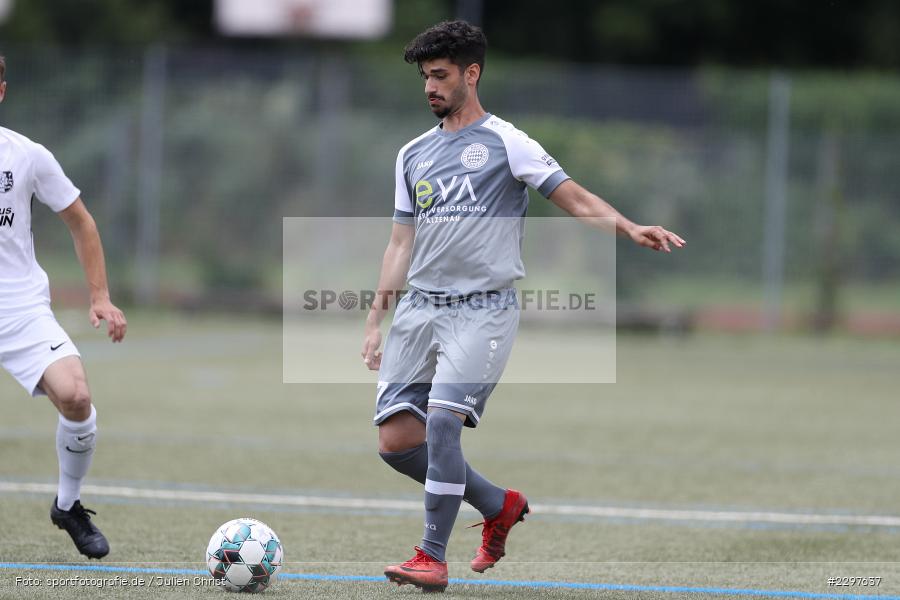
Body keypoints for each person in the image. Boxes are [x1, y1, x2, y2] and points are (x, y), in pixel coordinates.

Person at [361, 21, 685, 592]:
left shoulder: (507, 142)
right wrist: (374, 319)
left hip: (483, 310)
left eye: (440, 76)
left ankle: (430, 558)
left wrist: (629, 227)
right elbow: (399, 244)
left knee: (440, 423)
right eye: (425, 78)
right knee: (396, 443)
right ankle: (498, 505)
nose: (430, 87)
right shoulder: (411, 155)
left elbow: (575, 197)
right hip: (420, 310)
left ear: (472, 73)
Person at [0, 55, 127, 559]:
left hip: (19, 304)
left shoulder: (27, 155)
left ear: (2, 91)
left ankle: (67, 506)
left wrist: (99, 296)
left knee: (75, 396)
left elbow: (80, 221)